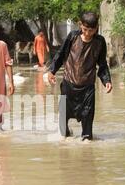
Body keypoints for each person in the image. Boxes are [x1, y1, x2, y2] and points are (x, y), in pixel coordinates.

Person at [47, 12, 112, 141]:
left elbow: (102, 64)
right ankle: (65, 139)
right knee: (63, 122)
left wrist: (106, 80)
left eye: (91, 30)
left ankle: (87, 147)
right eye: (85, 29)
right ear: (80, 25)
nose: (88, 33)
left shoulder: (99, 42)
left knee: (87, 121)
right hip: (68, 84)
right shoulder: (73, 37)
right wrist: (52, 71)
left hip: (87, 88)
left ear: (96, 28)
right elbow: (60, 54)